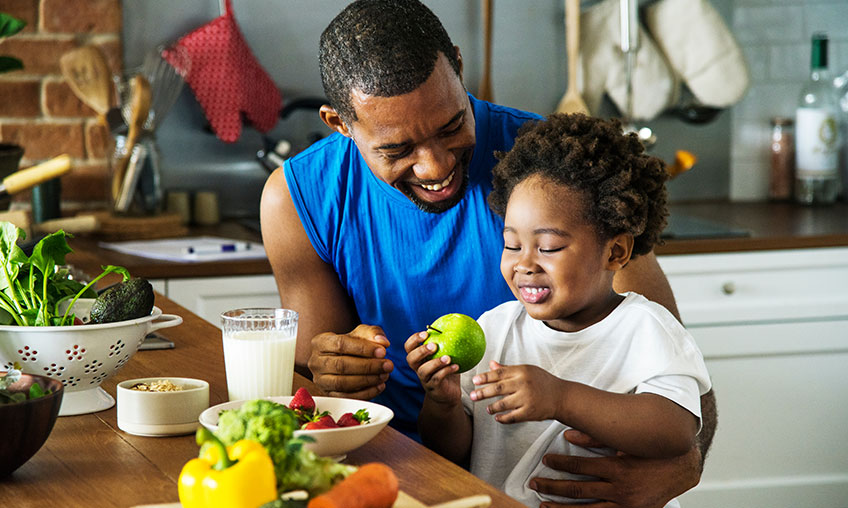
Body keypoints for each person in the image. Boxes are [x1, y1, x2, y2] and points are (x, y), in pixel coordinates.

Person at [260, 0, 717, 505]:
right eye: (396, 150)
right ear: (338, 122)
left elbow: (677, 373)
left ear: (458, 65)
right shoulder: (297, 198)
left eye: (451, 125)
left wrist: (683, 466)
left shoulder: (554, 174)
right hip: (385, 474)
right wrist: (335, 367)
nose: (434, 167)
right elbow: (313, 393)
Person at [405, 113, 712, 507]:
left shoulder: (645, 328)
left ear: (615, 251)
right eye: (512, 245)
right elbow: (456, 454)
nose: (524, 264)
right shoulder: (495, 329)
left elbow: (676, 430)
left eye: (548, 247)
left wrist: (561, 398)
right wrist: (443, 404)